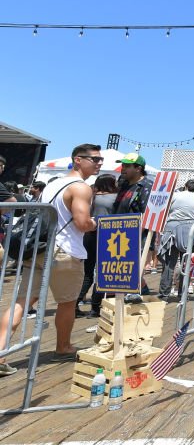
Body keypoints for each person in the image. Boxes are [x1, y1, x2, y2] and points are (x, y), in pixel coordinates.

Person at [0, 144, 101, 376]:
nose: (99, 163)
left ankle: (0, 352)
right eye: (94, 159)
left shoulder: (54, 184)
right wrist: (96, 224)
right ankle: (63, 346)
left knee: (21, 302)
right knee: (67, 302)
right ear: (78, 160)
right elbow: (82, 223)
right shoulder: (81, 187)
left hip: (38, 248)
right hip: (64, 251)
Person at [158, 179, 194, 300]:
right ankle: (182, 292)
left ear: (185, 186)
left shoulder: (176, 195)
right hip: (192, 230)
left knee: (170, 263)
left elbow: (167, 210)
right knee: (187, 263)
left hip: (173, 228)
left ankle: (165, 293)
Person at [113, 153, 154, 295]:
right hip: (117, 234)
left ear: (138, 168)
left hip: (134, 236)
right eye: (122, 165)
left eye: (127, 166)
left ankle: (138, 296)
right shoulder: (124, 184)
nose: (122, 168)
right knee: (121, 272)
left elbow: (146, 214)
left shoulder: (146, 186)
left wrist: (136, 235)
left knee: (132, 272)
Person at [79, 174, 118, 317]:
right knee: (102, 272)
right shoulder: (115, 198)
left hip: (89, 235)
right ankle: (95, 306)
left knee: (87, 271)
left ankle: (76, 302)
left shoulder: (91, 197)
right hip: (107, 236)